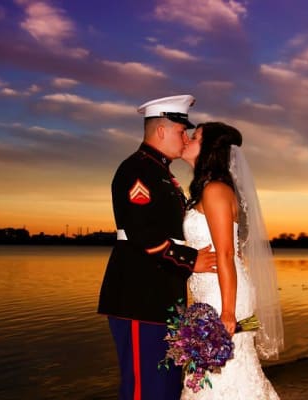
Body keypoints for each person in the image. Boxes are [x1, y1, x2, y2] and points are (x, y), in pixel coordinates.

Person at [97, 95, 217, 400]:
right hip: (138, 294)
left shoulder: (161, 174)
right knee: (143, 387)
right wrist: (191, 262)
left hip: (159, 294)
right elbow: (142, 232)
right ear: (161, 131)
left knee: (163, 387)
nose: (186, 137)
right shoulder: (137, 170)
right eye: (181, 131)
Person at [180, 122, 284, 399]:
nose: (187, 140)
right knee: (221, 374)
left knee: (220, 377)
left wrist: (227, 312)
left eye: (195, 136)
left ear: (210, 148)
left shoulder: (215, 190)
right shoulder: (209, 189)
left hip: (223, 296)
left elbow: (226, 253)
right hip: (214, 291)